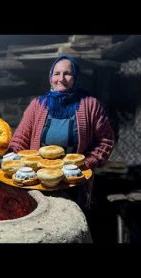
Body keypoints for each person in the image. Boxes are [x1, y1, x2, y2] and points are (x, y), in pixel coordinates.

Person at [8, 55, 115, 213]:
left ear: (76, 77)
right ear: (50, 77)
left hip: (74, 183)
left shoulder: (90, 105)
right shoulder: (38, 105)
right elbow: (20, 139)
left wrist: (88, 163)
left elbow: (106, 140)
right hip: (39, 183)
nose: (61, 78)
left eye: (67, 73)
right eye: (56, 73)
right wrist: (12, 157)